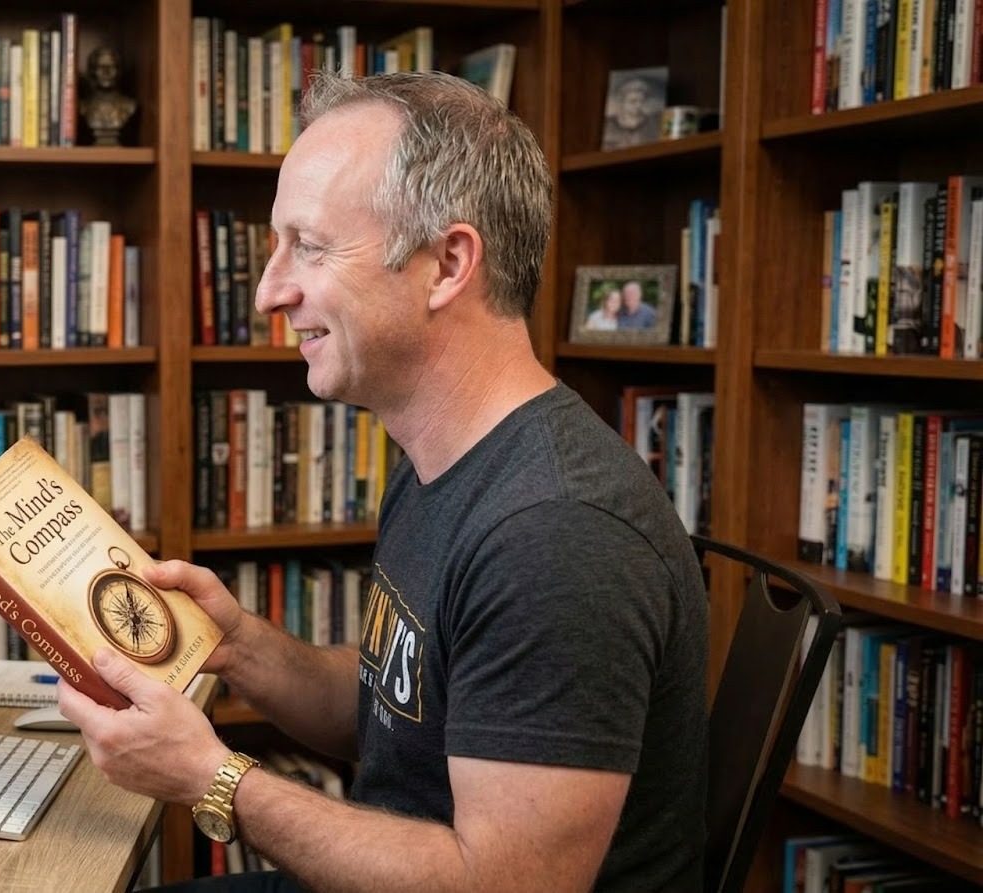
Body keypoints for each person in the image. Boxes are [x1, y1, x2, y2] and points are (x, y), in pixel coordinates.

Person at [55, 71, 709, 893]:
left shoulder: (555, 532)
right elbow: (395, 714)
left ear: (447, 264)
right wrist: (242, 648)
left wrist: (211, 777)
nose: (268, 291)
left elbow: (505, 886)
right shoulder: (445, 458)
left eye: (312, 245)